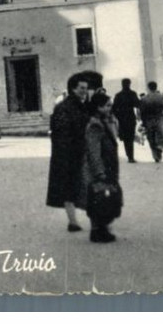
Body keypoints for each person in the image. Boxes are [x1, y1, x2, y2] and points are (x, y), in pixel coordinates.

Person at [46, 73, 90, 231]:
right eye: (81, 88)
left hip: (74, 152)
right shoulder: (66, 107)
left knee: (70, 188)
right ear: (73, 89)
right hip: (71, 153)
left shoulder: (80, 105)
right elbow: (61, 132)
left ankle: (73, 221)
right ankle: (75, 221)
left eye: (86, 88)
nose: (84, 91)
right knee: (74, 187)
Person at [83, 90, 122, 243]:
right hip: (101, 169)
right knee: (100, 199)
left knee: (106, 197)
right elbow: (93, 151)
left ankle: (101, 229)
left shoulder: (104, 121)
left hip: (108, 167)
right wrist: (99, 172)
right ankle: (98, 231)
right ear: (98, 107)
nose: (109, 109)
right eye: (106, 106)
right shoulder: (95, 125)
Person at [139, 81, 163, 163]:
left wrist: (143, 122)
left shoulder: (144, 99)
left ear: (148, 88)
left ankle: (155, 156)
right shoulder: (161, 97)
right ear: (156, 87)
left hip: (149, 120)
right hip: (159, 119)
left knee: (151, 138)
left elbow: (142, 112)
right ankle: (160, 149)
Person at [112, 78, 141, 163]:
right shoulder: (132, 94)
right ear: (129, 84)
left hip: (122, 120)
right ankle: (130, 156)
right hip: (130, 118)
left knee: (125, 139)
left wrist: (118, 116)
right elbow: (138, 104)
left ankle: (129, 155)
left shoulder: (118, 95)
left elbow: (114, 108)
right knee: (130, 138)